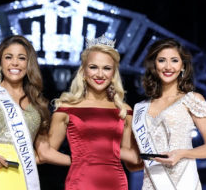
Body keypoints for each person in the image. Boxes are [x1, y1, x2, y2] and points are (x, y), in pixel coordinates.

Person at [0, 35, 70, 190]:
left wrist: (83, 161)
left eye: (21, 58)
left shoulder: (38, 104)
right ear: (0, 62)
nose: (15, 63)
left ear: (28, 64)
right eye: (8, 57)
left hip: (24, 179)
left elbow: (44, 153)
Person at [37, 35, 142, 190]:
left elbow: (131, 158)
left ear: (114, 73)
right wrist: (78, 160)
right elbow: (47, 152)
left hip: (116, 183)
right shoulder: (66, 108)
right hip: (81, 182)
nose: (100, 74)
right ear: (83, 71)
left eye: (106, 68)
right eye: (93, 67)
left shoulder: (124, 110)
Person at [130, 38, 206, 190]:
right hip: (151, 183)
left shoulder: (192, 99)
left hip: (184, 181)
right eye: (162, 60)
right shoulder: (140, 108)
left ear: (183, 65)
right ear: (154, 65)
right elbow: (135, 160)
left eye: (174, 60)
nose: (168, 66)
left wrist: (182, 153)